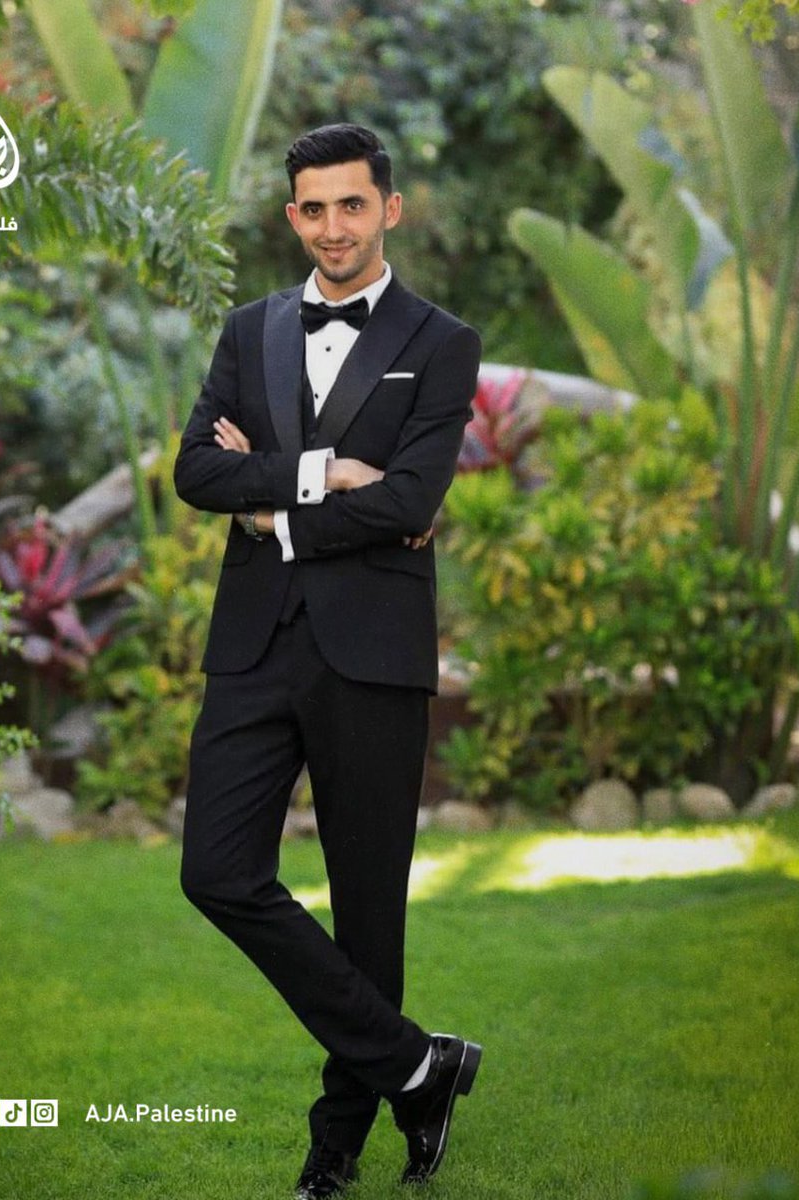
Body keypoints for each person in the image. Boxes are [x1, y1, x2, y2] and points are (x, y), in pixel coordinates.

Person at [174, 123, 483, 1199]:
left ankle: (336, 1147)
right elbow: (193, 472)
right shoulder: (249, 328)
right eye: (314, 208)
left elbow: (410, 499)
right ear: (292, 216)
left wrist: (271, 509)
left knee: (368, 910)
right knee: (216, 873)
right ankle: (418, 1067)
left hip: (373, 654)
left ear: (388, 208)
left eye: (353, 204)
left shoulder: (442, 341)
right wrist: (320, 474)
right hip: (252, 646)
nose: (334, 227)